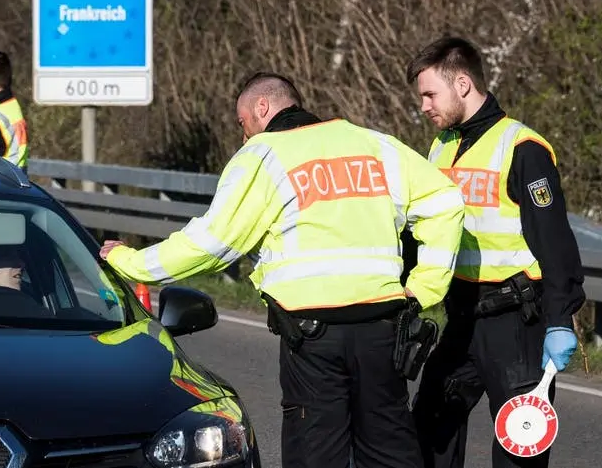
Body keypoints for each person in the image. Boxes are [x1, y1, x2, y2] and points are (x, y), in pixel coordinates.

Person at [99, 72, 466, 468]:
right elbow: (445, 202)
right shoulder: (376, 145)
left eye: (243, 124)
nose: (243, 136)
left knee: (315, 453)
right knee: (390, 452)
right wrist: (425, 289)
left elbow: (211, 244)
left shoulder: (263, 155)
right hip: (383, 330)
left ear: (262, 108)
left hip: (313, 339)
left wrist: (129, 262)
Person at [405, 36, 586, 468]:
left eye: (430, 94)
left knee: (518, 446)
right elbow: (426, 226)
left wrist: (561, 320)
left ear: (462, 84)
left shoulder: (523, 149)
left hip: (516, 324)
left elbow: (555, 243)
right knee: (429, 430)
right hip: (461, 317)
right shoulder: (442, 146)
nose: (424, 106)